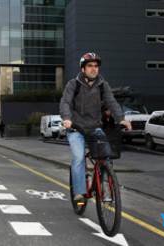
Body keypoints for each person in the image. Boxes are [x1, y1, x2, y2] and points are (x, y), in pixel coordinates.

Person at [59, 52, 132, 203]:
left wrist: (121, 119)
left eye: (96, 66)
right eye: (90, 66)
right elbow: (65, 102)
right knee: (79, 158)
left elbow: (111, 102)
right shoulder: (74, 84)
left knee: (106, 156)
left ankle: (104, 189)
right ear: (83, 69)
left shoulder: (102, 85)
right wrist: (66, 118)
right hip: (76, 128)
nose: (94, 69)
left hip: (94, 127)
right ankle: (79, 192)